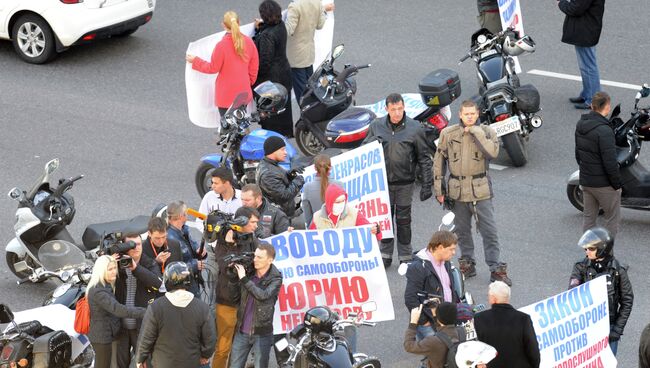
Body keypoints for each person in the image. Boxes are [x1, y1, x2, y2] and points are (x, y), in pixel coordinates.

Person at [433, 100, 511, 286]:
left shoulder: (487, 132)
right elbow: (438, 161)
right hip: (457, 191)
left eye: (473, 114)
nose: (469, 117)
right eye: (466, 114)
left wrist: (475, 131)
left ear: (477, 115)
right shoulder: (448, 133)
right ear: (460, 114)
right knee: (462, 231)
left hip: (480, 190)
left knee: (489, 231)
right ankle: (467, 264)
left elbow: (492, 152)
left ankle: (495, 269)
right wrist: (439, 189)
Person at [362, 93, 433, 267]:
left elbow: (424, 157)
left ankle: (405, 255)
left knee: (403, 220)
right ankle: (385, 254)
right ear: (386, 109)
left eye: (400, 109)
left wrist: (427, 184)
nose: (397, 113)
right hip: (382, 184)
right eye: (393, 109)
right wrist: (371, 141)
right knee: (385, 220)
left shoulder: (415, 128)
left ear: (404, 108)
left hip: (405, 183)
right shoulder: (376, 126)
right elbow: (363, 152)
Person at [136, 262, 216, 368]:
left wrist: (140, 359)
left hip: (162, 363)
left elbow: (146, 338)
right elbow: (210, 339)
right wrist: (205, 355)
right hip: (192, 363)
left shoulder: (156, 307)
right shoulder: (203, 308)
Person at [569, 227, 633, 356]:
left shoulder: (618, 271)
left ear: (603, 249)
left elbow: (627, 301)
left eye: (591, 248)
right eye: (586, 248)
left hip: (608, 327)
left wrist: (617, 329)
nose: (587, 251)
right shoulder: (581, 266)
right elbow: (572, 295)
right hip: (586, 327)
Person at [212, 206, 260, 368]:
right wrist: (231, 245)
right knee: (223, 349)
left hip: (245, 302)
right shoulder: (223, 241)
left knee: (239, 348)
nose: (256, 226)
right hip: (227, 302)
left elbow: (261, 258)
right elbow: (228, 270)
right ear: (242, 223)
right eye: (253, 222)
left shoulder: (251, 238)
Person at [186, 11, 259, 116]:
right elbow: (254, 68)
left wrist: (195, 60)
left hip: (226, 96)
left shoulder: (221, 46)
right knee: (240, 122)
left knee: (228, 128)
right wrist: (247, 83)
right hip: (243, 93)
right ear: (239, 23)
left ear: (223, 25)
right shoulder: (249, 42)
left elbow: (212, 68)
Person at [574, 92, 621, 237]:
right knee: (612, 219)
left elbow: (578, 154)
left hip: (587, 181)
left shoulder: (581, 124)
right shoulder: (604, 130)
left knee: (589, 219)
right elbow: (610, 162)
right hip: (603, 185)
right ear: (606, 107)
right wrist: (617, 184)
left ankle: (590, 255)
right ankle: (606, 255)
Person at [229, 243, 283, 368]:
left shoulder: (276, 278)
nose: (255, 260)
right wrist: (232, 279)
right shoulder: (249, 272)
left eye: (259, 257)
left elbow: (263, 295)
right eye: (255, 256)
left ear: (270, 260)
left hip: (262, 334)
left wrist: (244, 279)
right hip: (241, 330)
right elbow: (234, 298)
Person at [87, 255, 146, 368]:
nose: (114, 272)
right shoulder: (98, 291)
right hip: (101, 337)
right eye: (110, 269)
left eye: (115, 268)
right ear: (101, 271)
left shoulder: (105, 285)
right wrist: (144, 312)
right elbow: (118, 309)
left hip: (107, 335)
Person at [114, 233, 163, 368]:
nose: (136, 247)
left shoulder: (149, 263)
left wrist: (136, 268)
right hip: (121, 326)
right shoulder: (117, 264)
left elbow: (159, 284)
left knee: (144, 364)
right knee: (120, 364)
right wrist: (109, 261)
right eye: (131, 244)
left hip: (141, 327)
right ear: (124, 247)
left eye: (139, 244)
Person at [404, 231, 460, 339]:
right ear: (440, 247)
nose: (453, 253)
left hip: (446, 320)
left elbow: (449, 288)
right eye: (451, 249)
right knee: (436, 353)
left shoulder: (446, 262)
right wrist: (424, 322)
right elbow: (410, 298)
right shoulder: (418, 267)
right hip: (430, 324)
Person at [473, 281, 540, 368]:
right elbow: (533, 350)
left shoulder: (479, 318)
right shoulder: (523, 319)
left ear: (493, 298)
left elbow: (478, 348)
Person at [253, 0, 294, 137]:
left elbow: (265, 61)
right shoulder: (281, 25)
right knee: (284, 109)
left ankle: (273, 141)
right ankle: (285, 137)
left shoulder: (267, 36)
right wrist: (260, 28)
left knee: (272, 114)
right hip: (284, 73)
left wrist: (255, 77)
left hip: (271, 79)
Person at [558, 0, 605, 109]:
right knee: (586, 66)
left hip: (585, 31)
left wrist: (561, 3)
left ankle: (593, 100)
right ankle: (586, 94)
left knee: (588, 67)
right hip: (586, 29)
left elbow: (575, 8)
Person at [285, 0, 335, 101]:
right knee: (310, 89)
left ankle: (306, 115)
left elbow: (288, 30)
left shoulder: (294, 7)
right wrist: (322, 10)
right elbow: (320, 25)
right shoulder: (317, 3)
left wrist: (273, 21)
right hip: (309, 53)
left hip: (296, 56)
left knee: (302, 96)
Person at [404, 302, 470, 368]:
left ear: (439, 319)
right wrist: (436, 316)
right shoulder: (462, 331)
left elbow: (409, 346)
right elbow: (444, 330)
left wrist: (413, 323)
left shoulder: (432, 342)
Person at [309, 184, 381, 241]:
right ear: (329, 202)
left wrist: (376, 230)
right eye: (337, 202)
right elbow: (309, 241)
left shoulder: (354, 214)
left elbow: (375, 234)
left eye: (343, 201)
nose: (341, 205)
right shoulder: (317, 217)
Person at [256, 136, 305, 218]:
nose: (285, 153)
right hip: (278, 219)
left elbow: (280, 180)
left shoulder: (269, 164)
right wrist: (298, 181)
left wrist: (291, 174)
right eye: (282, 149)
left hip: (281, 214)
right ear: (273, 151)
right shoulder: (268, 174)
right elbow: (284, 195)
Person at [167, 200, 208, 297]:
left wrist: (200, 251)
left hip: (192, 280)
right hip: (183, 286)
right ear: (181, 216)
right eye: (186, 213)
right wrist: (194, 265)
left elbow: (193, 246)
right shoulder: (170, 239)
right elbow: (173, 268)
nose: (188, 215)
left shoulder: (184, 229)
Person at [301, 154, 343, 227]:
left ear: (314, 168)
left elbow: (308, 216)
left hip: (317, 228)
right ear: (330, 168)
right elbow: (343, 211)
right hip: (337, 227)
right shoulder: (339, 185)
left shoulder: (307, 187)